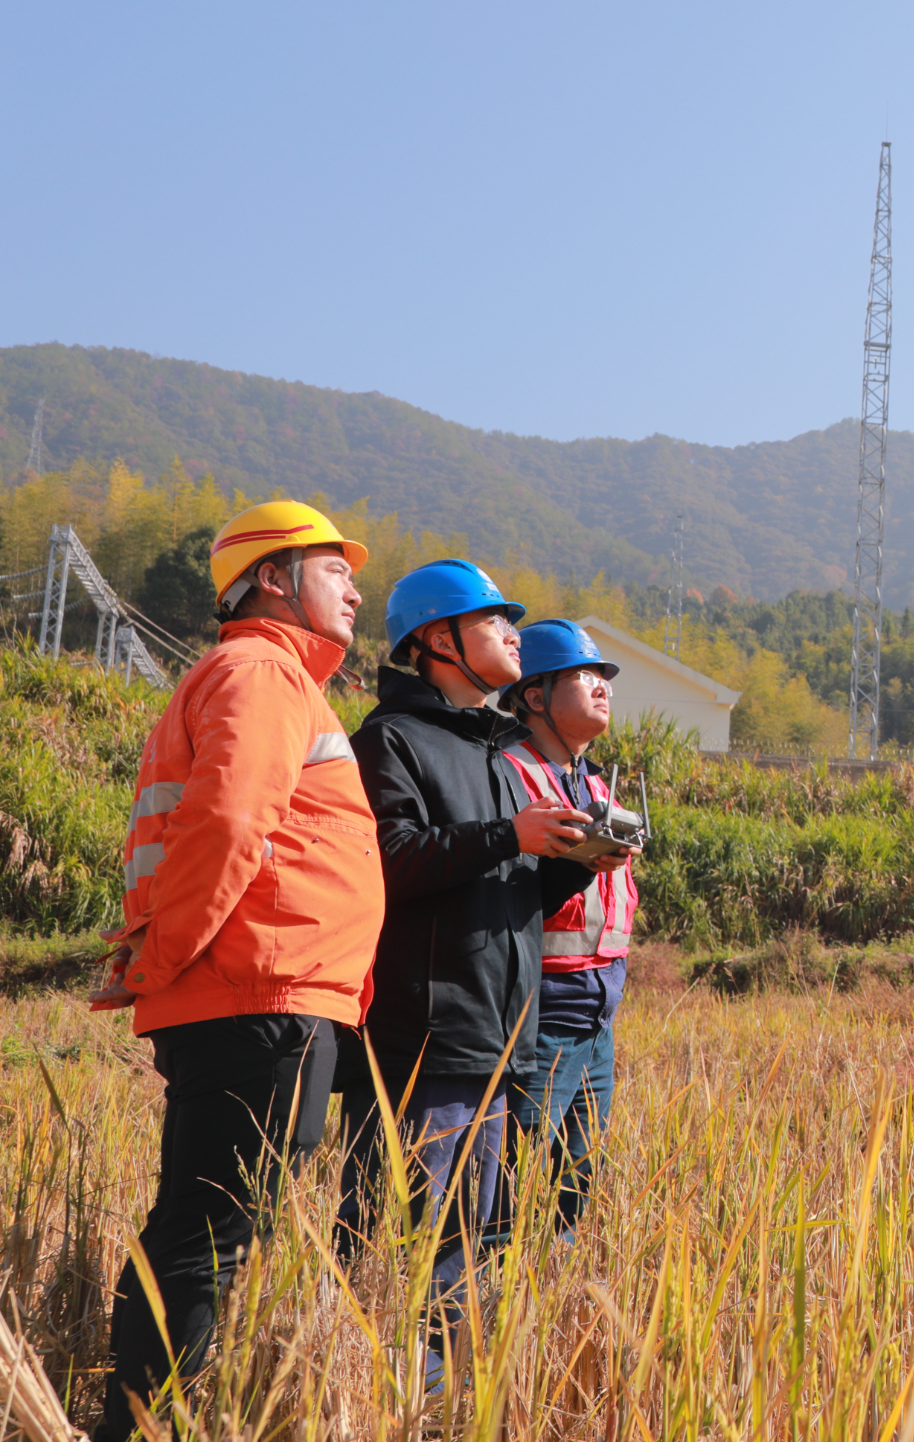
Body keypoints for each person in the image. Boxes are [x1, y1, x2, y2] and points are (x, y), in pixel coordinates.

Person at [88, 501, 383, 1442]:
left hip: (258, 990)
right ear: (273, 578)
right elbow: (227, 823)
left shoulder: (266, 676)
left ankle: (141, 1418)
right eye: (334, 569)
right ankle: (143, 1425)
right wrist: (163, 958)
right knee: (207, 1235)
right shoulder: (261, 672)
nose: (355, 588)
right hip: (258, 994)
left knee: (203, 1228)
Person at [339, 559, 602, 1386]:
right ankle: (372, 1395)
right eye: (494, 620)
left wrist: (571, 864)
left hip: (497, 1035)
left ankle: (441, 1401)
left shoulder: (489, 748)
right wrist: (507, 837)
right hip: (426, 1036)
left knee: (464, 1243)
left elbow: (503, 883)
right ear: (437, 640)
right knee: (396, 1232)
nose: (513, 634)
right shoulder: (390, 741)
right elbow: (389, 860)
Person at [497, 620, 639, 1235]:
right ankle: (496, 1281)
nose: (602, 687)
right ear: (535, 695)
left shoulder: (597, 782)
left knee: (575, 1185)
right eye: (584, 676)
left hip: (598, 1011)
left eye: (604, 677)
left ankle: (556, 1276)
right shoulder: (508, 773)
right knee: (515, 1180)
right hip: (541, 1008)